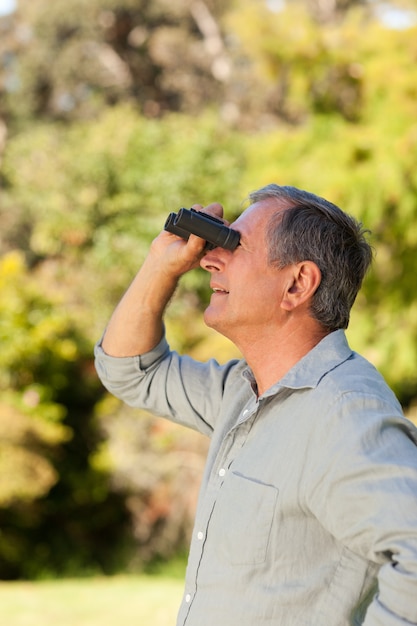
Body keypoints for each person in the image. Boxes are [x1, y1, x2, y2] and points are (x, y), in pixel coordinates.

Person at [94, 184, 417, 626]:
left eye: (235, 246)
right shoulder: (243, 393)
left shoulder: (343, 412)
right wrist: (160, 267)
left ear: (297, 284)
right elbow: (131, 370)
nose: (208, 259)